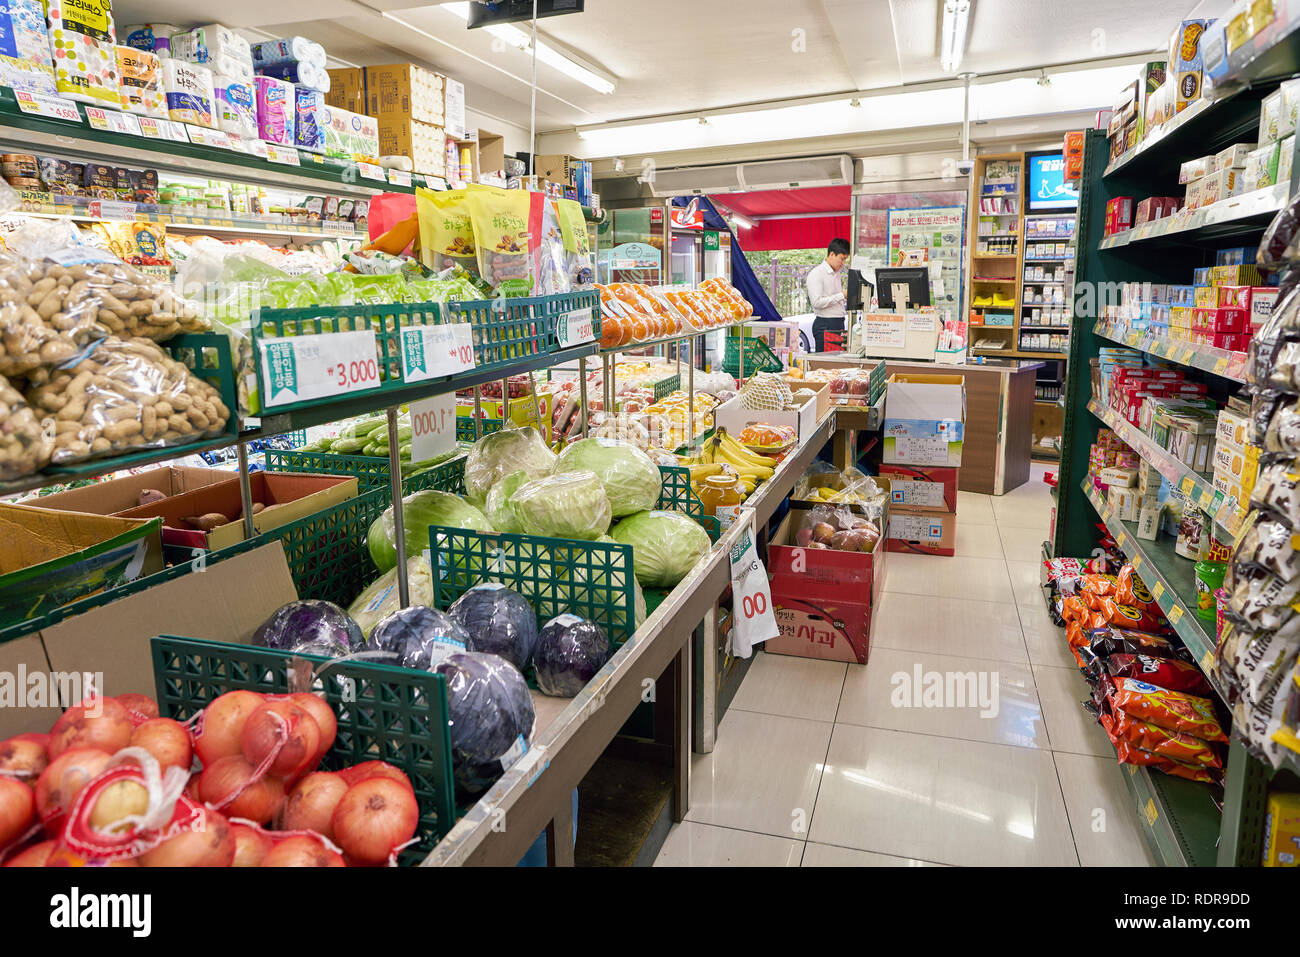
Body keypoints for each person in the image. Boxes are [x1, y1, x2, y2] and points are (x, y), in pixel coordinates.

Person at [806, 238, 850, 352]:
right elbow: (816, 302)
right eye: (842, 258)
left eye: (845, 259)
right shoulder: (817, 274)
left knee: (836, 365)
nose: (843, 263)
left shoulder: (836, 273)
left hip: (837, 323)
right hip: (826, 325)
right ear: (831, 254)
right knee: (826, 364)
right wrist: (842, 295)